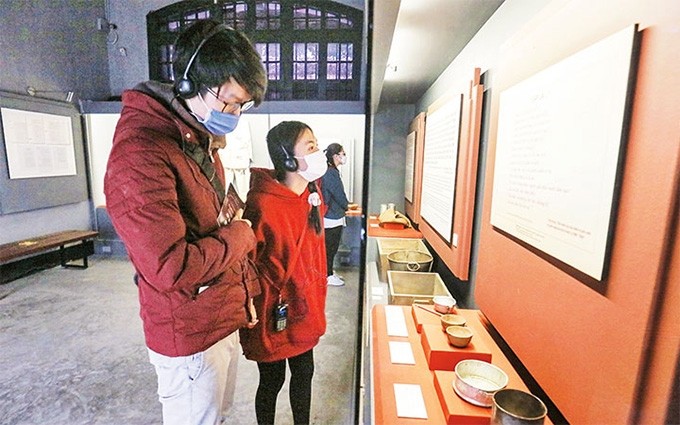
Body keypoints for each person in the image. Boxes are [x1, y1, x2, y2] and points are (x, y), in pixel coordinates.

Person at [103, 19, 267, 425]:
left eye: (241, 105)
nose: (233, 114)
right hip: (188, 332)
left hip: (214, 316)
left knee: (217, 416)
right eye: (227, 101)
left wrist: (243, 292)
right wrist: (242, 236)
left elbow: (209, 224)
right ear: (190, 84)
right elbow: (169, 267)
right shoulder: (142, 154)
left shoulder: (193, 139)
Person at [240, 121, 329, 425]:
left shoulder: (312, 195)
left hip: (306, 308)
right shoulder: (262, 203)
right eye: (311, 146)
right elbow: (245, 261)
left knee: (304, 375)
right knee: (272, 380)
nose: (319, 152)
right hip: (273, 313)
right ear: (288, 159)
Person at [320, 143, 350, 287]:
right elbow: (338, 194)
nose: (344, 156)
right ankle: (328, 275)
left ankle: (329, 273)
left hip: (332, 216)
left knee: (330, 247)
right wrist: (346, 205)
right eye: (342, 153)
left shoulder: (330, 171)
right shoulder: (330, 172)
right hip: (332, 217)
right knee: (330, 248)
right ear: (335, 156)